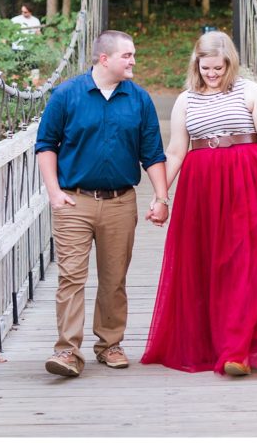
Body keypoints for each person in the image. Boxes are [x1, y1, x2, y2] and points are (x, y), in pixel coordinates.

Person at [141, 30, 257, 376]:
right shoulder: (186, 100)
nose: (212, 74)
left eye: (218, 68)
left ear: (230, 63)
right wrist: (161, 196)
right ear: (196, 65)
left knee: (244, 263)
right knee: (206, 262)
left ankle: (238, 351)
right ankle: (213, 344)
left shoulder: (250, 92)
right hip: (201, 189)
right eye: (206, 69)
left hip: (249, 183)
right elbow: (175, 151)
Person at [35, 30, 169, 379]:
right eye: (127, 55)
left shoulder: (138, 100)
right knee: (71, 277)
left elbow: (152, 153)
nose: (134, 61)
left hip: (120, 202)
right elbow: (46, 144)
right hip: (74, 200)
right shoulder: (66, 95)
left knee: (114, 279)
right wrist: (53, 192)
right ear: (104, 58)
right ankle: (67, 350)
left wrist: (161, 196)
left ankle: (109, 344)